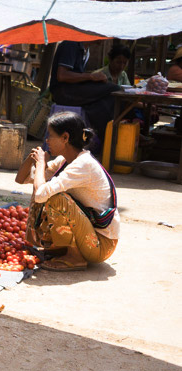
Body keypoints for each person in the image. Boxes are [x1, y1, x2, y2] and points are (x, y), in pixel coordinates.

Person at [16, 112, 120, 271]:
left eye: (50, 135)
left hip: (100, 245)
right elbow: (21, 179)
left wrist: (41, 163)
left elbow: (40, 194)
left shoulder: (83, 164)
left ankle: (75, 258)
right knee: (41, 183)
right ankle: (63, 249)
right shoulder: (65, 161)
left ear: (65, 138)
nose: (47, 140)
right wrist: (33, 159)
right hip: (88, 235)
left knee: (55, 198)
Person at [49, 40, 123, 152]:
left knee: (103, 102)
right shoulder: (71, 44)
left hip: (73, 89)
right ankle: (106, 139)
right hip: (63, 92)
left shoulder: (85, 50)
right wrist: (90, 77)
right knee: (114, 89)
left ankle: (106, 141)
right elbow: (62, 75)